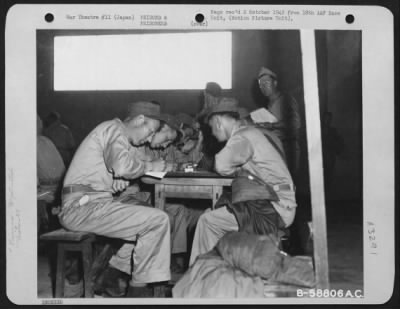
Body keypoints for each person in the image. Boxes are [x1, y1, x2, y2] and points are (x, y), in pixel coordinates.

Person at [58, 101, 171, 298]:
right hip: (80, 207)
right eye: (151, 132)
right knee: (157, 220)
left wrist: (116, 180)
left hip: (92, 202)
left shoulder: (115, 132)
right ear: (140, 120)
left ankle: (112, 277)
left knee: (152, 221)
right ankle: (138, 295)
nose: (149, 139)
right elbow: (122, 166)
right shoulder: (115, 128)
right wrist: (149, 166)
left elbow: (116, 168)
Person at [189, 97, 297, 266]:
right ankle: (219, 273)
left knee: (207, 221)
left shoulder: (242, 136)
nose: (214, 134)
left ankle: (201, 278)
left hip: (274, 207)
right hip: (278, 201)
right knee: (212, 213)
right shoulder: (254, 132)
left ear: (217, 122)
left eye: (211, 128)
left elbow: (221, 165)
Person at [257, 67, 301, 178]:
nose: (263, 87)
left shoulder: (286, 99)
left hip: (288, 148)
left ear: (275, 83)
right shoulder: (269, 104)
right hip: (275, 148)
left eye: (266, 83)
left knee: (287, 185)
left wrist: (271, 125)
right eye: (261, 84)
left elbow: (296, 123)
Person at [321, 111, 345, 196]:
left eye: (329, 119)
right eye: (326, 119)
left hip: (330, 157)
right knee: (321, 176)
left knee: (329, 176)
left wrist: (339, 152)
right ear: (323, 119)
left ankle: (327, 194)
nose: (327, 121)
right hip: (321, 157)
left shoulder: (333, 131)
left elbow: (339, 142)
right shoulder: (319, 130)